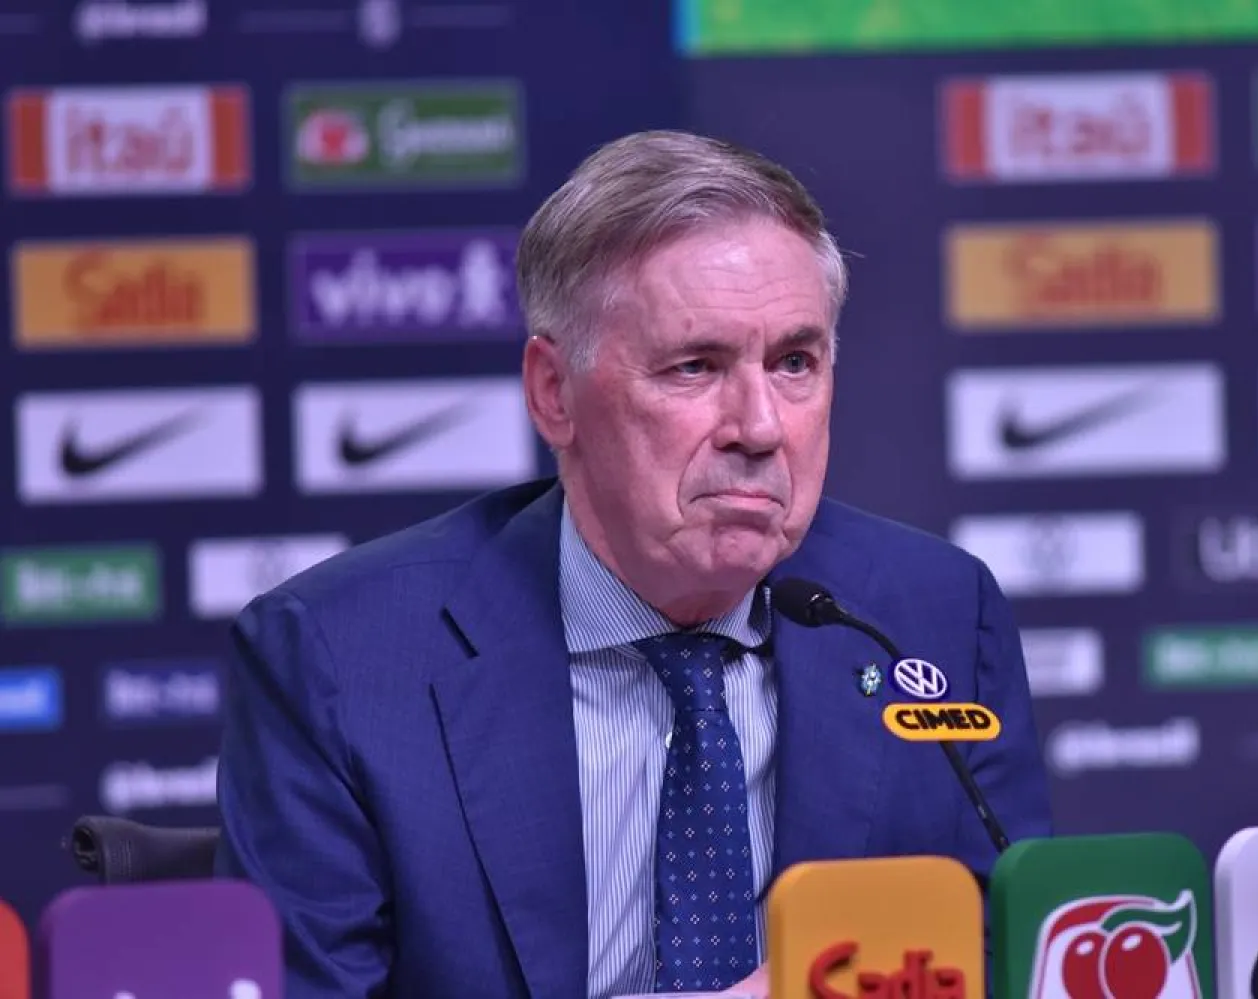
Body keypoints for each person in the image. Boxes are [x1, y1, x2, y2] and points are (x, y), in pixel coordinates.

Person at [213, 129, 1053, 999]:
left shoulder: (931, 614)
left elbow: (1011, 952)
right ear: (554, 392)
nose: (760, 427)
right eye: (696, 366)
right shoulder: (343, 659)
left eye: (795, 362)